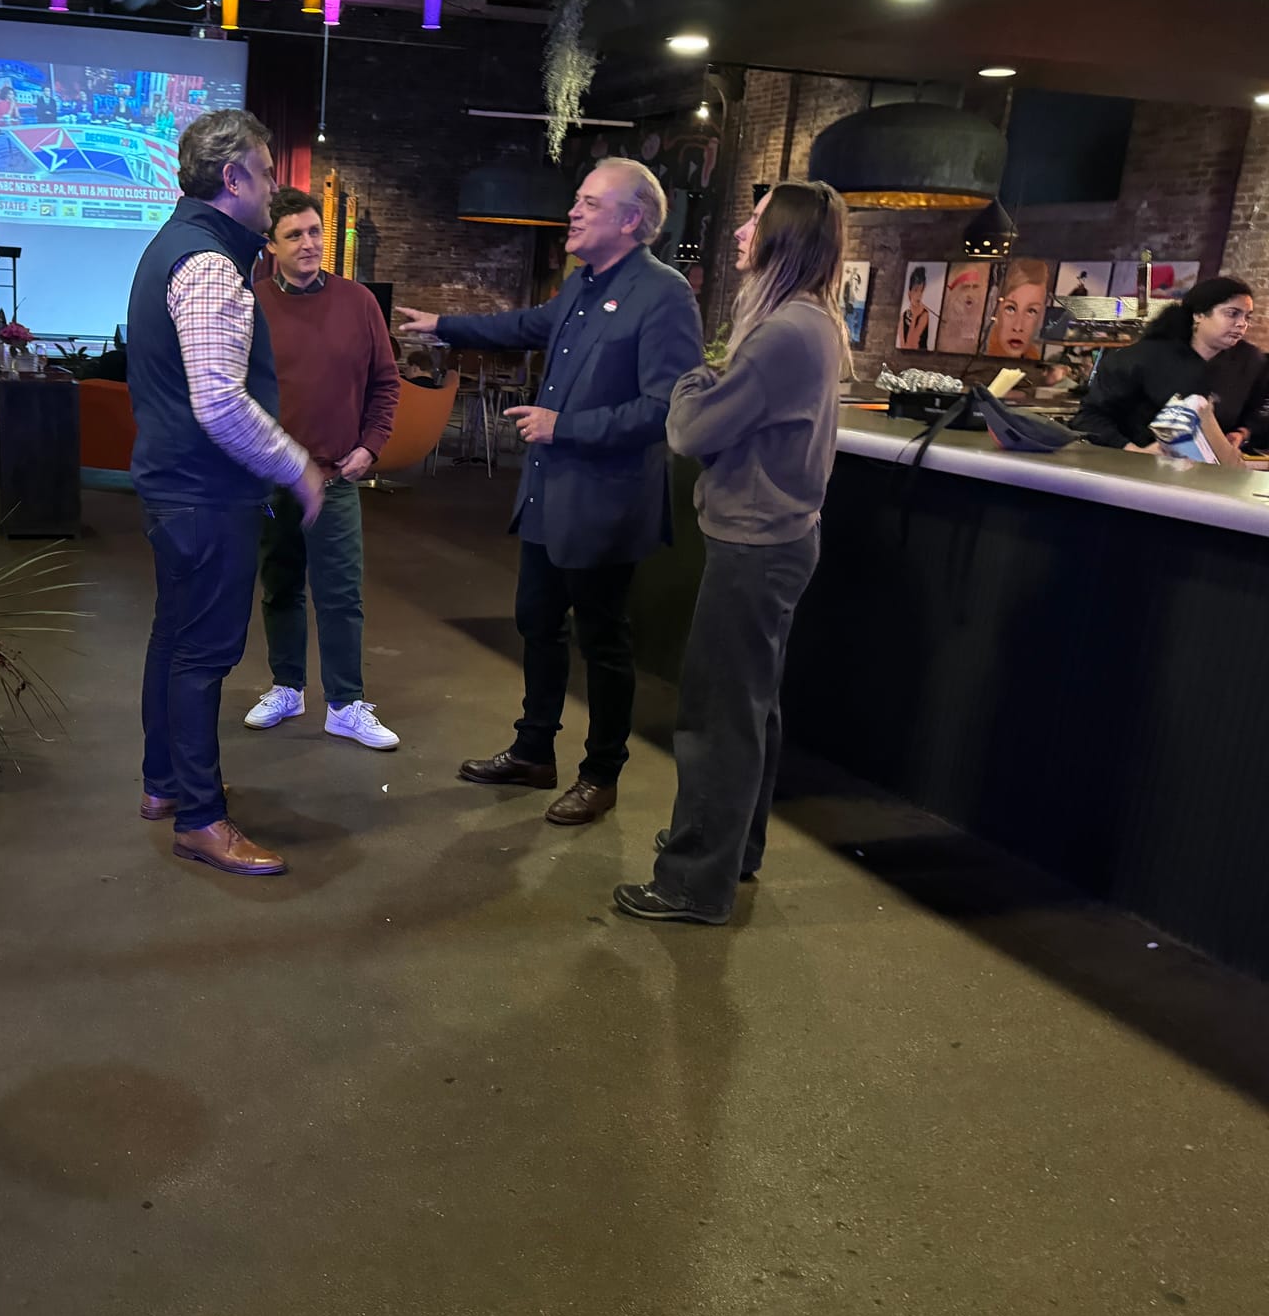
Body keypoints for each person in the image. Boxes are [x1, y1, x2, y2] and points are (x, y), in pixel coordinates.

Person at [397, 159, 704, 826]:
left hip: (606, 502)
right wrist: (445, 324)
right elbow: (527, 325)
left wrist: (566, 427)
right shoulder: (582, 285)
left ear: (629, 220)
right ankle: (534, 751)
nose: (573, 212)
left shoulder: (665, 294)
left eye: (589, 203)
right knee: (537, 624)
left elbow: (666, 409)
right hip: (549, 494)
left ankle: (602, 774)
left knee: (602, 640)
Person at [614, 180, 852, 926]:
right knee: (749, 709)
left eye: (754, 221)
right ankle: (730, 848)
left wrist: (692, 376)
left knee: (718, 714)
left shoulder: (784, 331)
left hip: (757, 545)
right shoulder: (808, 321)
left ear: (783, 239)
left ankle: (693, 879)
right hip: (777, 541)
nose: (741, 232)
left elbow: (690, 428)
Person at [128, 110, 327, 877]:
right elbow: (217, 401)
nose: (275, 187)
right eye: (268, 172)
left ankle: (165, 786)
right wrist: (297, 465)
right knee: (204, 654)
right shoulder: (210, 263)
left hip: (174, 488)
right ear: (234, 179)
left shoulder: (171, 247)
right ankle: (202, 820)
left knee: (174, 639)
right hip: (205, 496)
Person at [245, 186, 403, 750]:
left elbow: (386, 384)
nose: (310, 243)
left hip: (336, 478)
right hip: (270, 478)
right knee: (279, 586)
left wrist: (371, 445)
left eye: (315, 232)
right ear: (271, 245)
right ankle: (287, 686)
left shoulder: (359, 303)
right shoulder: (252, 302)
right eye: (295, 235)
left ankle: (345, 703)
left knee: (340, 593)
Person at [1070, 276, 1268, 451]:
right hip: (1135, 469)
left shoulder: (1250, 361)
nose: (1242, 323)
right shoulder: (1141, 358)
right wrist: (1133, 451)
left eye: (1246, 317)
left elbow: (1257, 412)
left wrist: (1242, 433)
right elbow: (1089, 417)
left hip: (1212, 477)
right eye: (1232, 314)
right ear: (1199, 315)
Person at [986, 257, 1051, 359]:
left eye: (1031, 311)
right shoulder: (979, 351)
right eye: (1010, 309)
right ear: (996, 308)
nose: (1018, 327)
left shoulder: (1035, 357)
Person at [899, 265, 933, 350]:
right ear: (909, 293)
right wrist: (914, 316)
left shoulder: (924, 314)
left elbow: (913, 345)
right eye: (916, 290)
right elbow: (904, 347)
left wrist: (915, 317)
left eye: (921, 291)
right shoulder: (903, 315)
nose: (919, 295)